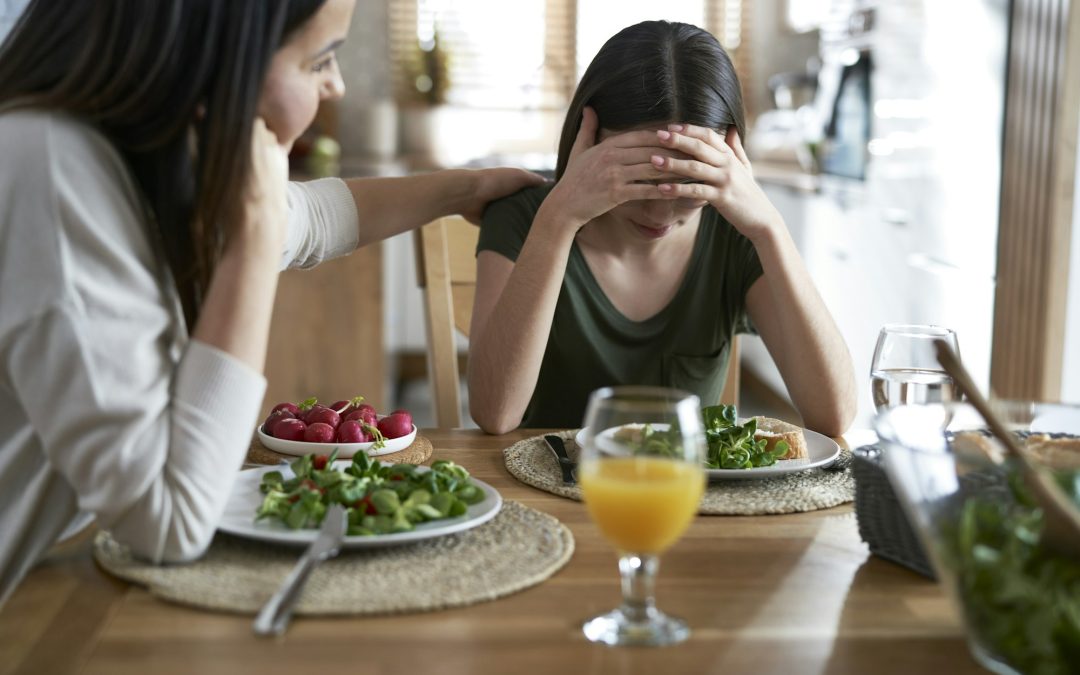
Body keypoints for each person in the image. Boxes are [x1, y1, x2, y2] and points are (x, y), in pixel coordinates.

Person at [0, 0, 542, 605]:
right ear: (221, 56)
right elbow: (169, 524)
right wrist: (253, 249)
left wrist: (464, 189)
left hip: (58, 564)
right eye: (320, 60)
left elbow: (310, 217)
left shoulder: (127, 151)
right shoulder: (55, 176)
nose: (336, 86)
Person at [468, 20, 856, 435]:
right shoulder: (526, 218)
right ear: (590, 141)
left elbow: (833, 415)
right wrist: (558, 220)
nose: (660, 213)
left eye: (689, 183)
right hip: (545, 490)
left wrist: (770, 230)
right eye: (638, 179)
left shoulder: (737, 233)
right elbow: (495, 413)